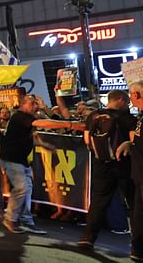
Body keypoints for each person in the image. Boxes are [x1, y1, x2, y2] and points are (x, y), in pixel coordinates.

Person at [0, 93, 81, 234]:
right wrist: (69, 124)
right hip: (12, 158)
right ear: (23, 104)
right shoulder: (20, 116)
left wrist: (45, 145)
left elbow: (31, 136)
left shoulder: (25, 119)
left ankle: (25, 220)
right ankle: (11, 219)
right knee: (21, 188)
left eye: (36, 104)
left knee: (27, 189)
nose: (35, 106)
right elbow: (40, 123)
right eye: (32, 103)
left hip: (21, 159)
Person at [78, 90, 137, 249]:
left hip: (101, 164)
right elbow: (134, 142)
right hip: (124, 164)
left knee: (98, 201)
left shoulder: (93, 116)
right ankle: (137, 245)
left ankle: (87, 238)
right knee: (132, 203)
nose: (129, 104)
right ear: (120, 100)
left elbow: (86, 140)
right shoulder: (128, 118)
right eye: (127, 101)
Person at [116, 79, 143, 261]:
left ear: (136, 95)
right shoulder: (141, 117)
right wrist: (130, 143)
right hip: (139, 174)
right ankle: (138, 250)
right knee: (138, 215)